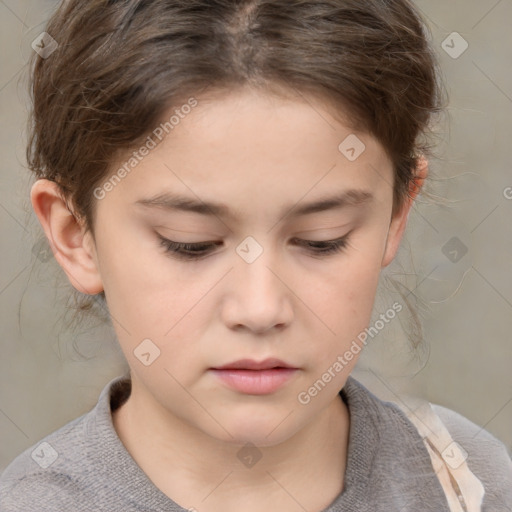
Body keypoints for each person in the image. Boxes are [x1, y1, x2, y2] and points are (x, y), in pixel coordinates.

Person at [1, 0, 511, 511]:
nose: (261, 308)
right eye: (189, 243)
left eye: (322, 238)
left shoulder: (469, 480)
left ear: (396, 214)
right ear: (75, 235)